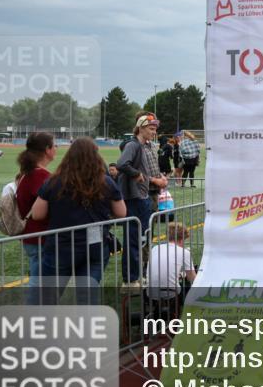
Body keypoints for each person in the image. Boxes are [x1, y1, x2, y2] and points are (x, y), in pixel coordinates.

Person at [32, 138, 125, 304]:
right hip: (94, 245)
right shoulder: (106, 182)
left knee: (48, 298)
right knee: (88, 297)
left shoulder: (54, 181)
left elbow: (37, 214)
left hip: (61, 245)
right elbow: (121, 212)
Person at [116, 113, 167, 287]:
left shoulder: (144, 145)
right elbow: (122, 164)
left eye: (155, 129)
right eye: (151, 129)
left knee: (141, 238)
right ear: (141, 128)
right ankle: (130, 280)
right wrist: (138, 174)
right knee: (133, 239)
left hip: (142, 196)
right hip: (134, 198)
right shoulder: (133, 145)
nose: (154, 132)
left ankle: (137, 276)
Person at [15, 132, 57, 303]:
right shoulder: (39, 175)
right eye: (54, 146)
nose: (56, 149)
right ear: (47, 150)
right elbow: (50, 205)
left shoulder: (30, 172)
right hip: (40, 237)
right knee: (40, 283)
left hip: (34, 237)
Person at [146, 221, 196, 318]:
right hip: (171, 294)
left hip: (149, 293)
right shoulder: (184, 252)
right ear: (182, 239)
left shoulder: (155, 248)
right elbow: (192, 278)